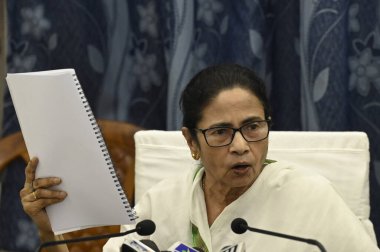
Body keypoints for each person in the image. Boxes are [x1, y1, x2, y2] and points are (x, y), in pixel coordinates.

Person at [21, 64, 379, 252]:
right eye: (221, 132)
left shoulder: (310, 197)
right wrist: (46, 226)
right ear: (191, 142)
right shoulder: (160, 206)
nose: (241, 146)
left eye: (253, 127)